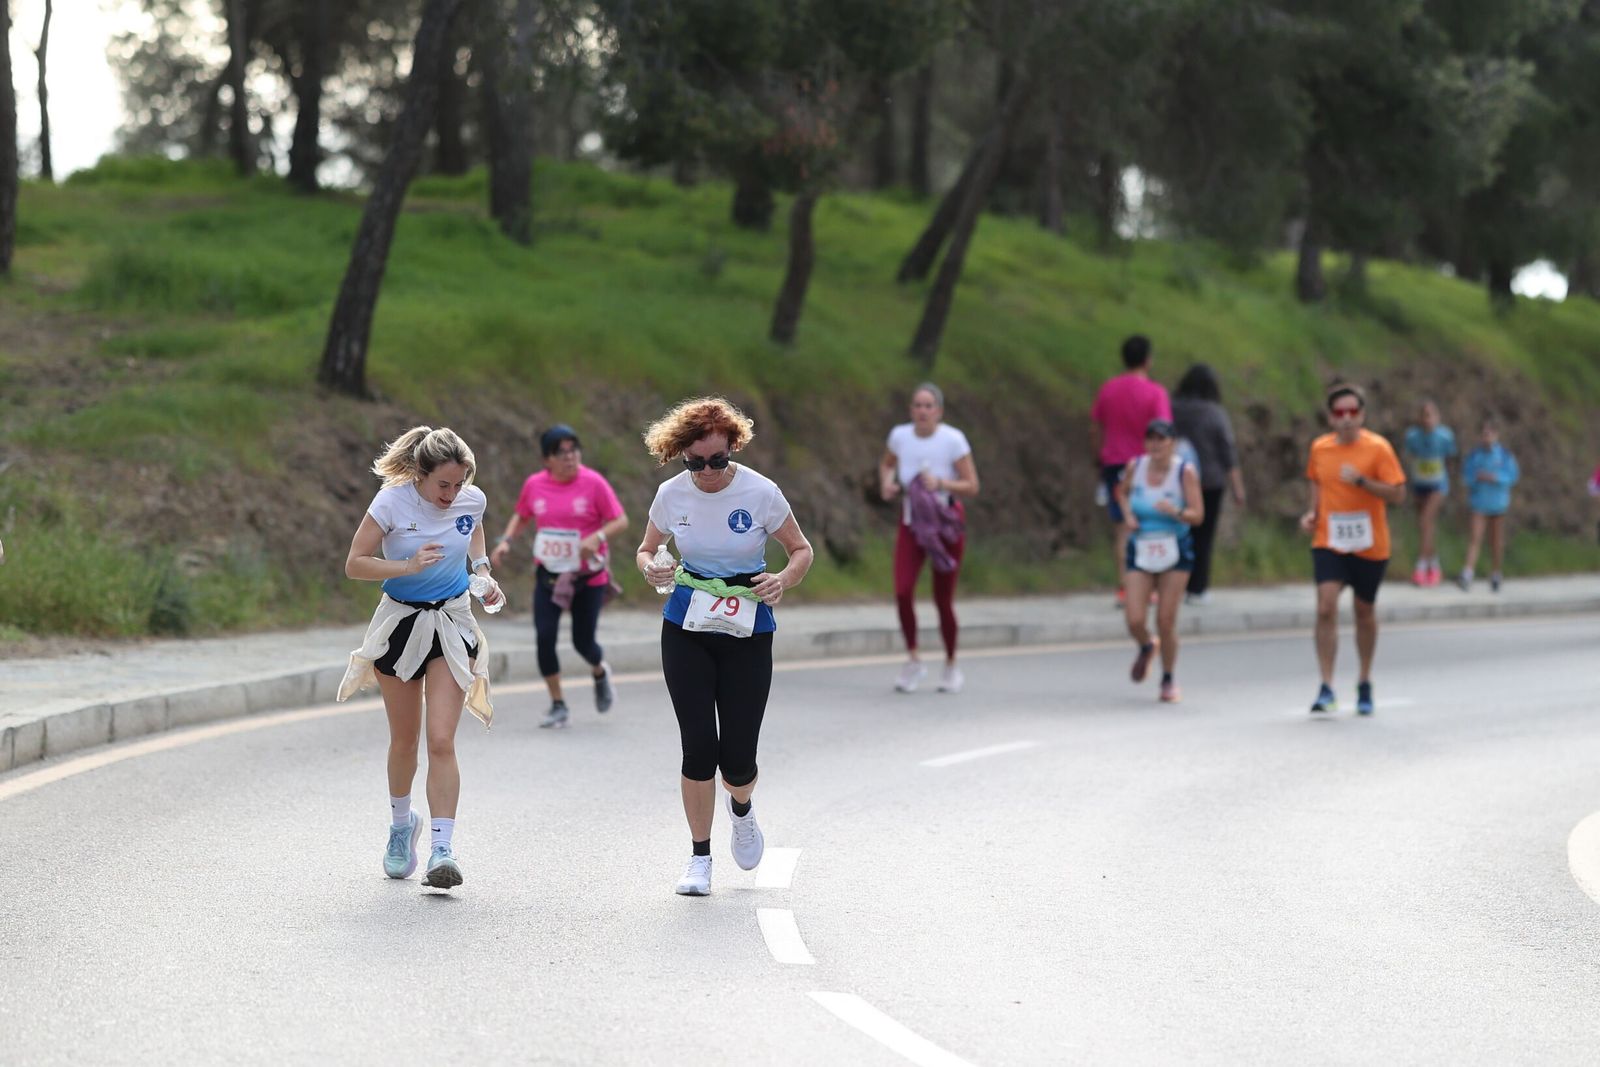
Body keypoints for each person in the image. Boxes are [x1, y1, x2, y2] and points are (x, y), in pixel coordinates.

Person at [635, 397, 814, 897]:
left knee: (737, 758)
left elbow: (801, 549)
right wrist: (651, 567)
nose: (709, 471)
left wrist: (782, 580)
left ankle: (742, 808)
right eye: (696, 462)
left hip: (747, 627)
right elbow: (647, 548)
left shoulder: (761, 492)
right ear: (681, 456)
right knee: (697, 747)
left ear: (733, 448)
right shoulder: (671, 495)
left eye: (718, 459)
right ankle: (699, 859)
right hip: (687, 623)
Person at [337, 425, 503, 890]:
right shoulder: (391, 502)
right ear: (419, 475)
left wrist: (483, 572)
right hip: (400, 624)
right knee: (404, 741)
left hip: (450, 623)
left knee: (442, 741)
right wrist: (407, 566)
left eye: (460, 483)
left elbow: (474, 534)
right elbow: (354, 563)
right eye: (443, 485)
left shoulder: (472, 500)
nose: (452, 495)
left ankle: (443, 849)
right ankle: (400, 826)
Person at [490, 424, 629, 729]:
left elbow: (620, 520)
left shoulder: (593, 483)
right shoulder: (535, 485)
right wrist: (506, 541)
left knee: (583, 642)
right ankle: (558, 704)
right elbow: (522, 514)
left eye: (573, 450)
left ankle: (599, 670)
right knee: (544, 637)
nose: (570, 457)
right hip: (550, 574)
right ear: (547, 459)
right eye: (561, 452)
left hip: (586, 577)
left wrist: (597, 537)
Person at [1300, 385, 1406, 717]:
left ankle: (1364, 679)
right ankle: (1327, 685)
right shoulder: (1320, 448)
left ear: (1362, 415)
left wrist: (1362, 482)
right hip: (1329, 540)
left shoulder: (1378, 449)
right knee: (1326, 606)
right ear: (1330, 417)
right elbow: (1316, 482)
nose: (1346, 420)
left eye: (1352, 413)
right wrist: (1311, 513)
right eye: (1339, 413)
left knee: (1364, 611)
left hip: (1369, 543)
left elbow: (1398, 494)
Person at [878, 383, 980, 694]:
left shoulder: (952, 440)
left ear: (939, 411)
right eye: (917, 405)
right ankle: (913, 659)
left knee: (942, 599)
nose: (922, 411)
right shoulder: (900, 436)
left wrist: (941, 482)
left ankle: (950, 664)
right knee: (902, 590)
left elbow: (972, 485)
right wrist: (887, 484)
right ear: (911, 410)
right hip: (912, 523)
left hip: (945, 525)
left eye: (928, 406)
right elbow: (886, 464)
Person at [1116, 419, 1204, 703]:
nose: (1155, 445)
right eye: (1150, 439)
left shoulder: (1184, 472)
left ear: (1172, 443)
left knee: (1165, 619)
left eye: (1161, 439)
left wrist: (1177, 511)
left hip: (1174, 548)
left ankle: (1168, 677)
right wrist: (1128, 515)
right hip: (1141, 546)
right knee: (1134, 618)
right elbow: (1121, 492)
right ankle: (1146, 645)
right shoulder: (1136, 466)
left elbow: (1198, 515)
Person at [1091, 335, 1172, 606]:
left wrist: (1099, 458)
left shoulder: (1108, 390)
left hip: (1114, 463)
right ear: (1148, 360)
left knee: (1122, 529)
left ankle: (1125, 587)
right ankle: (1149, 587)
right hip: (1146, 465)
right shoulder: (1155, 393)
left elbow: (1096, 427)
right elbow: (1164, 430)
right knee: (1150, 525)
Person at [1170, 364, 1245, 604]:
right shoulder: (1214, 412)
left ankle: (1173, 584)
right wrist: (1237, 487)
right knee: (1203, 536)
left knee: (1176, 533)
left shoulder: (1172, 409)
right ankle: (1197, 587)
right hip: (1209, 482)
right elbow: (1227, 451)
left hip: (1175, 480)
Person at [1456, 417, 1520, 593]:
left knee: (1496, 541)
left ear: (1496, 435)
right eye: (1484, 434)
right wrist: (1477, 479)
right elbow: (1466, 477)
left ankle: (1496, 572)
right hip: (1479, 502)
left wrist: (1495, 478)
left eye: (1490, 433)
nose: (1487, 437)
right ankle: (1468, 572)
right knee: (1475, 537)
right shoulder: (1475, 456)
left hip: (1498, 503)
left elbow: (1512, 476)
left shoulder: (1505, 456)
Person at [1402, 400, 1457, 586]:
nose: (1428, 420)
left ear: (1438, 417)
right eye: (1424, 415)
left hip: (1438, 485)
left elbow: (1450, 460)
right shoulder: (1412, 436)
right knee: (1426, 526)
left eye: (1431, 415)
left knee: (1426, 520)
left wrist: (1449, 481)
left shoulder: (1445, 436)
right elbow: (1409, 458)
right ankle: (1434, 565)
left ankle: (1420, 566)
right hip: (1420, 484)